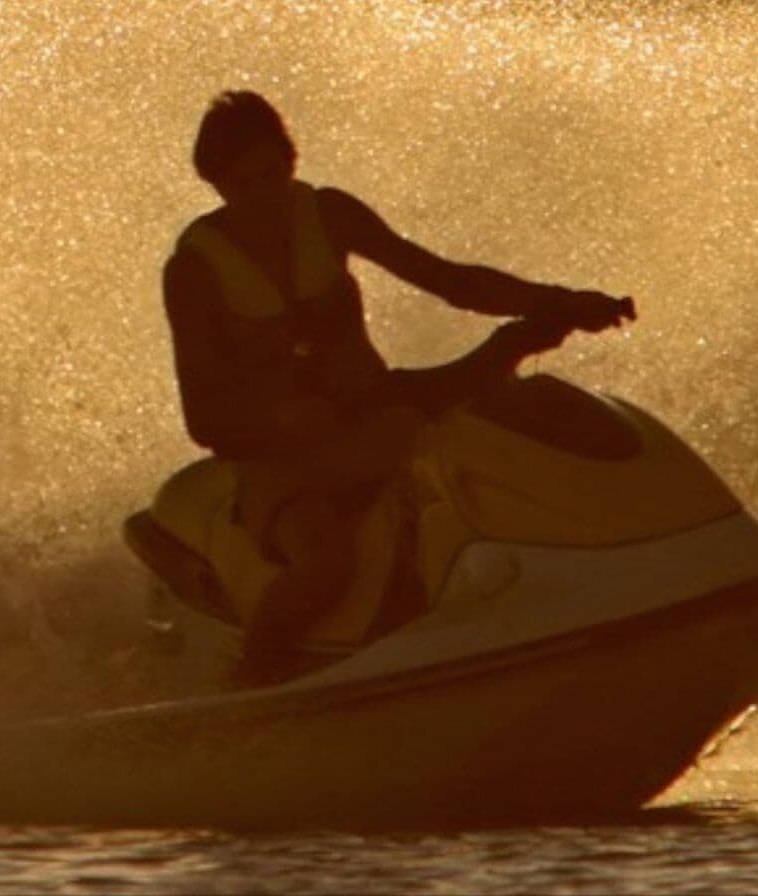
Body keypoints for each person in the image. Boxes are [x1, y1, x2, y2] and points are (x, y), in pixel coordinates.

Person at [164, 88, 635, 685]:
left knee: (501, 396)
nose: (269, 195)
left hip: (377, 416)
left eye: (277, 173)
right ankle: (254, 685)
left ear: (293, 160)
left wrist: (558, 300)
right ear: (217, 185)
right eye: (248, 183)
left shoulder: (329, 214)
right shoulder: (194, 272)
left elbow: (451, 282)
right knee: (323, 567)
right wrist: (281, 421)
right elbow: (203, 419)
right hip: (283, 465)